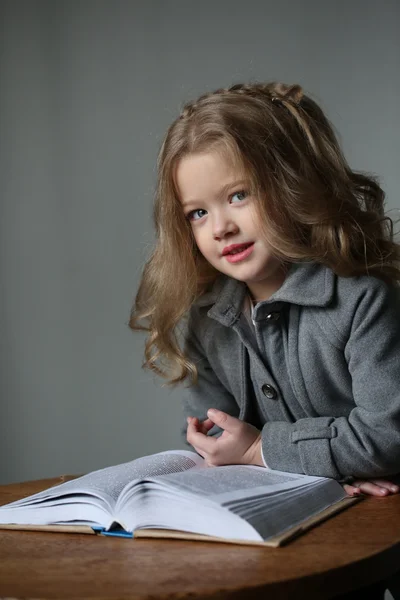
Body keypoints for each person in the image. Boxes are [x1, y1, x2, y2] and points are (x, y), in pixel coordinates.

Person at [129, 81, 400, 501]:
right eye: (198, 212)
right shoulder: (208, 320)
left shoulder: (362, 301)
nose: (220, 227)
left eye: (238, 195)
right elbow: (212, 433)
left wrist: (260, 448)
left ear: (292, 185)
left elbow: (387, 436)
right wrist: (328, 468)